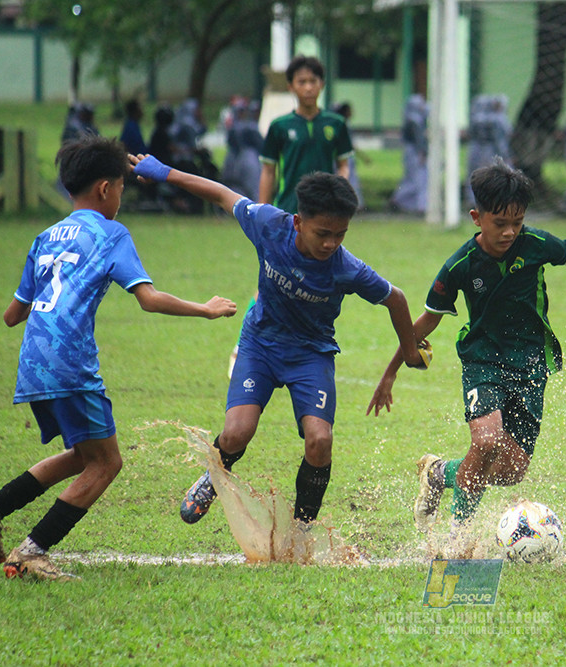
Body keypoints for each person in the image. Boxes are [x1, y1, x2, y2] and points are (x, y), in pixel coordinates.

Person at [0, 137, 237, 581]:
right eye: (124, 189)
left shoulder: (45, 236)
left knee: (81, 455)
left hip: (32, 362)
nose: (122, 198)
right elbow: (147, 299)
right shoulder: (111, 234)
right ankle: (31, 552)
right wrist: (204, 308)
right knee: (107, 462)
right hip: (71, 362)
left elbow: (14, 315)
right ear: (106, 189)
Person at [367, 158, 566, 557]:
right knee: (485, 441)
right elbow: (424, 324)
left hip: (530, 364)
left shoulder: (536, 244)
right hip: (483, 359)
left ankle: (439, 473)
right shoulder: (458, 266)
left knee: (510, 471)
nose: (509, 232)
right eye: (499, 223)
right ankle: (458, 536)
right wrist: (390, 373)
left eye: (517, 222)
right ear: (477, 217)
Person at [126, 153, 429, 527]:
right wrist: (164, 172)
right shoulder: (269, 224)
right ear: (299, 222)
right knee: (237, 433)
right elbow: (222, 194)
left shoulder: (346, 268)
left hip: (311, 355)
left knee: (320, 441)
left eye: (340, 235)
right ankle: (214, 476)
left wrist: (410, 352)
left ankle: (303, 528)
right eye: (323, 233)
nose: (331, 243)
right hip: (261, 345)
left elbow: (395, 298)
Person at [259, 55, 354, 213]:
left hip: (325, 210)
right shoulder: (279, 126)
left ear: (322, 84)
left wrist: (337, 194)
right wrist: (261, 211)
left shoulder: (337, 123)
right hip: (287, 208)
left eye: (313, 81)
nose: (308, 88)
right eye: (302, 82)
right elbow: (268, 171)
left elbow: (343, 165)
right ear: (291, 86)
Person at [389, 94, 429, 214]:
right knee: (419, 179)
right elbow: (419, 139)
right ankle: (419, 205)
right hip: (415, 152)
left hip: (410, 152)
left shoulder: (409, 116)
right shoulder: (415, 120)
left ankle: (402, 201)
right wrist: (422, 152)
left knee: (411, 178)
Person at [222, 98, 264, 201]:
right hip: (250, 158)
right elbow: (261, 144)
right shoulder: (250, 126)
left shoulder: (233, 127)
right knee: (253, 185)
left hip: (235, 158)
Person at [331, 101, 367, 210]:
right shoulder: (341, 125)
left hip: (342, 157)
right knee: (349, 180)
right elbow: (349, 144)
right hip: (344, 158)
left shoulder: (340, 124)